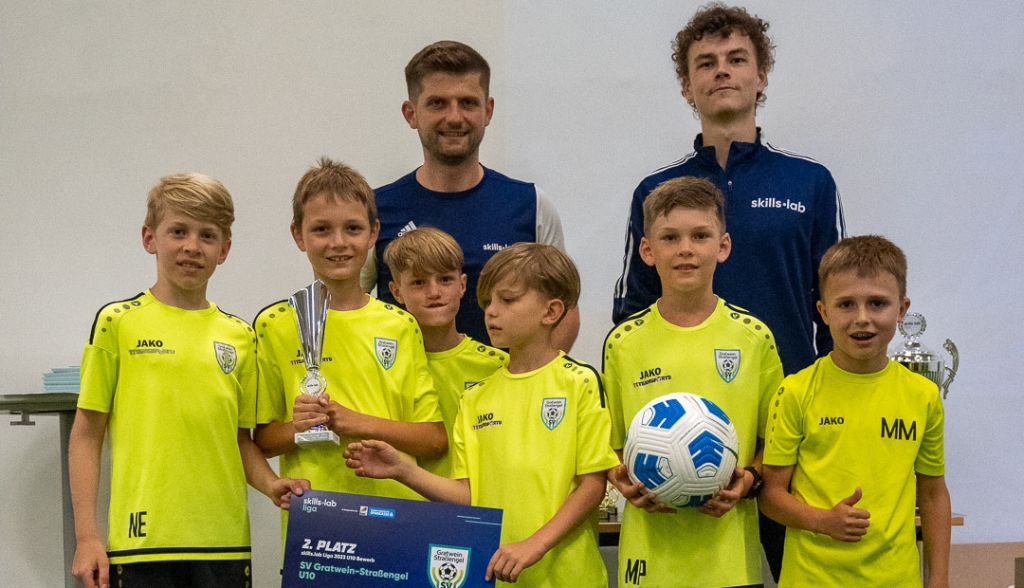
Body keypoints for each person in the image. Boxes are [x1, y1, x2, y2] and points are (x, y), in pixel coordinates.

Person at [611, 5, 845, 574]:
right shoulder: (656, 191)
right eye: (705, 63)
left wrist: (824, 416)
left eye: (737, 59)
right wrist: (633, 451)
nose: (722, 70)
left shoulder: (809, 182)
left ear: (761, 76)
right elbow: (631, 316)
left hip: (789, 435)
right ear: (686, 85)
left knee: (806, 577)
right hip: (682, 442)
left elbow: (835, 308)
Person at [68, 173, 309, 588]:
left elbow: (239, 440)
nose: (192, 246)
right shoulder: (116, 323)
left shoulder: (241, 335)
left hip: (224, 545)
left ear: (224, 249)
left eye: (207, 235)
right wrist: (88, 537)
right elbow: (87, 434)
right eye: (178, 231)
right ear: (150, 238)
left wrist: (270, 484)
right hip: (141, 544)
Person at [347, 243, 618, 587]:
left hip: (568, 577)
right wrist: (403, 470)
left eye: (507, 300)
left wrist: (535, 545)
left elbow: (592, 485)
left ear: (551, 311)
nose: (491, 312)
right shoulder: (475, 397)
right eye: (488, 302)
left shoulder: (581, 381)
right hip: (495, 575)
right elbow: (468, 495)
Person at [604, 177, 783, 588]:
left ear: (723, 246)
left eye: (700, 235)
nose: (685, 248)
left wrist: (749, 480)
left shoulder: (754, 337)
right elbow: (611, 444)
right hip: (649, 559)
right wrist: (621, 479)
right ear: (647, 250)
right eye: (670, 237)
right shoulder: (623, 343)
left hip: (729, 562)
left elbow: (775, 445)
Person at [252, 158, 447, 518]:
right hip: (316, 515)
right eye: (321, 229)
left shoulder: (401, 325)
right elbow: (262, 441)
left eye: (353, 228)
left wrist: (352, 422)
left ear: (373, 233)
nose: (338, 242)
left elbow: (434, 439)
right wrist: (299, 426)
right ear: (298, 235)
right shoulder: (274, 325)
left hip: (396, 513)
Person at [760, 235, 950, 587]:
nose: (862, 319)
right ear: (823, 312)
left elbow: (933, 493)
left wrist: (938, 578)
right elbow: (770, 496)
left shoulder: (922, 395)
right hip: (812, 579)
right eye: (846, 304)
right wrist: (823, 521)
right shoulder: (795, 391)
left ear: (902, 309)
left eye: (877, 303)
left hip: (896, 580)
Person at [364, 40, 579, 350]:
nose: (454, 117)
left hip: (504, 383)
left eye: (467, 102)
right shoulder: (374, 210)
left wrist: (530, 376)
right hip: (404, 383)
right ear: (411, 113)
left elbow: (565, 311)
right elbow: (348, 309)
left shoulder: (530, 204)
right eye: (438, 103)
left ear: (487, 111)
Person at [382, 226, 508, 477]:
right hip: (402, 497)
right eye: (418, 282)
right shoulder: (385, 365)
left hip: (479, 497)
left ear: (462, 285)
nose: (434, 292)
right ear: (397, 292)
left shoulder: (499, 366)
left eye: (445, 280)